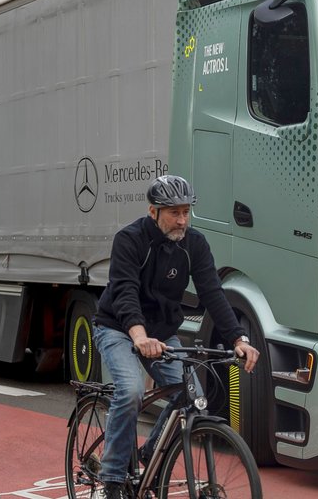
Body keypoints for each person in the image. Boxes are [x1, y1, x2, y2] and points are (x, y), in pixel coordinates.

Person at [92, 174, 260, 499]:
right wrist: (139, 336)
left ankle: (147, 456)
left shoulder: (193, 245)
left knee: (193, 395)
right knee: (130, 391)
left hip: (162, 333)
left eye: (186, 211)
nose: (182, 219)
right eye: (174, 212)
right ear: (153, 211)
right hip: (117, 327)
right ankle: (112, 482)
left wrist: (239, 339)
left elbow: (213, 292)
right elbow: (125, 292)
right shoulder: (129, 240)